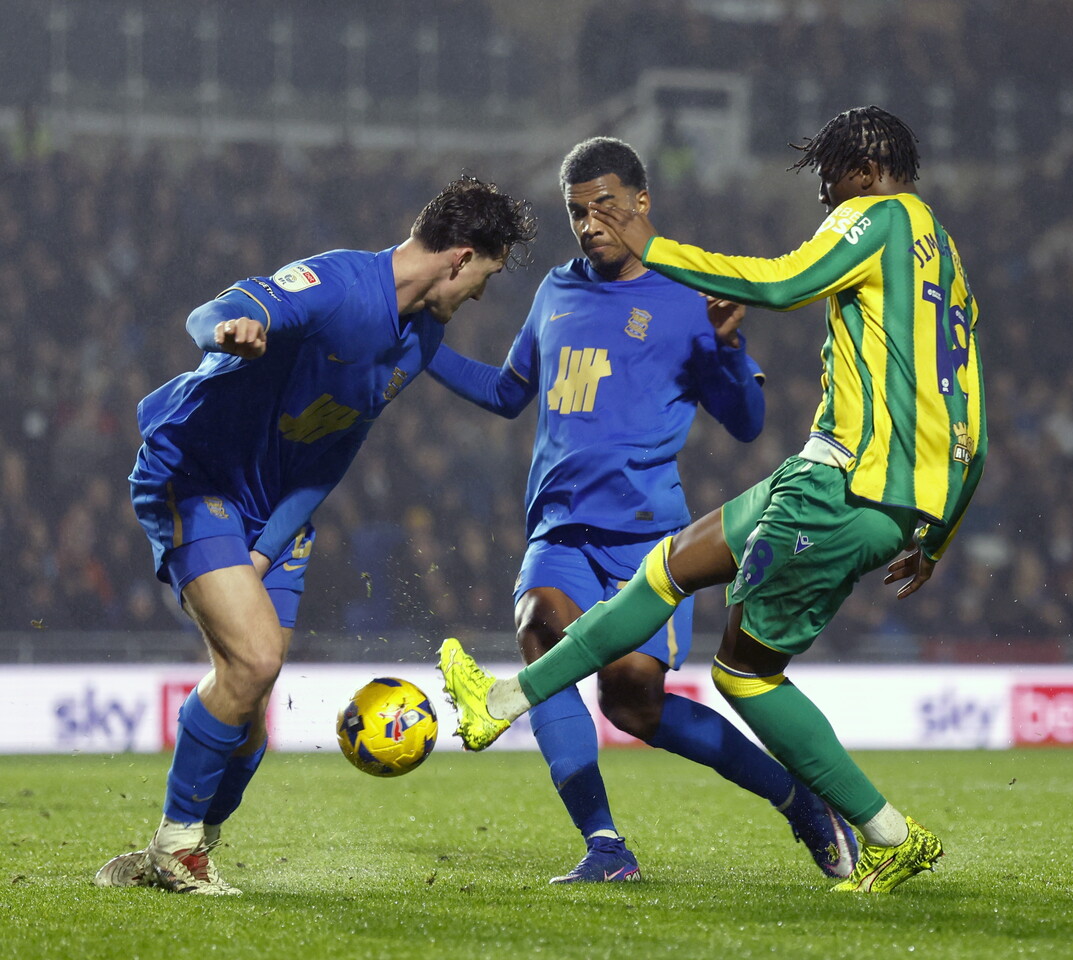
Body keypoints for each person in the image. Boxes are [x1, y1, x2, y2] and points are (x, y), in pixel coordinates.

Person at [439, 106, 986, 894]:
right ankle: (514, 714)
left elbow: (785, 285)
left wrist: (661, 255)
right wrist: (938, 530)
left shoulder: (877, 216)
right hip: (844, 478)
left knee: (742, 676)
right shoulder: (943, 254)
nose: (823, 198)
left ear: (865, 171)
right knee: (665, 571)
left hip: (845, 481)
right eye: (578, 212)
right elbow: (972, 417)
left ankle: (883, 830)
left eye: (829, 179)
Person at [94, 175, 537, 895]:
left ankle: (187, 846)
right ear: (460, 258)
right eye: (484, 278)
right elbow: (214, 310)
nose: (480, 297)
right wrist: (229, 331)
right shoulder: (338, 284)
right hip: (198, 476)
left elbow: (336, 452)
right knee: (254, 660)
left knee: (251, 708)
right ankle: (176, 847)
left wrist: (266, 546)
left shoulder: (421, 336)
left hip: (275, 510)